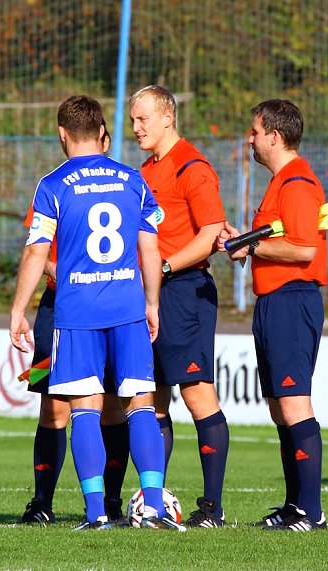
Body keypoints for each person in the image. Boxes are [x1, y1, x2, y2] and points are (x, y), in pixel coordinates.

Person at [10, 95, 184, 531]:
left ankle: (95, 514)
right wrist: (152, 302)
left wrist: (18, 310)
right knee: (140, 407)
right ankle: (156, 512)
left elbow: (36, 252)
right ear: (101, 132)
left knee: (83, 409)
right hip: (127, 311)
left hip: (75, 314)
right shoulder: (132, 179)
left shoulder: (52, 185)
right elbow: (150, 246)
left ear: (63, 134)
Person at [217, 99, 328, 532]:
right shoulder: (280, 181)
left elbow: (303, 248)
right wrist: (244, 243)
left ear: (275, 137)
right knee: (280, 407)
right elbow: (278, 240)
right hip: (274, 302)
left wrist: (252, 247)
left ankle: (311, 511)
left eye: (255, 131)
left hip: (292, 301)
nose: (250, 138)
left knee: (295, 402)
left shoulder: (297, 182)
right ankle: (294, 505)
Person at [20, 121, 132, 526]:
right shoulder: (55, 186)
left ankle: (112, 501)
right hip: (56, 309)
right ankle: (42, 502)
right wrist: (68, 274)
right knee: (52, 406)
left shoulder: (118, 183)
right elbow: (39, 250)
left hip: (107, 310)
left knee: (112, 407)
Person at [128, 85, 230, 527]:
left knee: (197, 395)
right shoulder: (145, 169)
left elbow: (210, 234)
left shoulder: (193, 166)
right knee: (153, 401)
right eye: (133, 121)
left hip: (184, 291)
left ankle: (211, 508)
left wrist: (164, 267)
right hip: (150, 293)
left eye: (142, 119)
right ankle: (157, 500)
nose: (135, 128)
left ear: (168, 117)